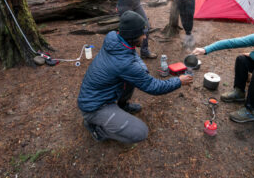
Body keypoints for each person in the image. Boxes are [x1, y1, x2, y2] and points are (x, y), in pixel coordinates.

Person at [78, 11, 193, 143]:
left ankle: (122, 106)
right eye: (142, 34)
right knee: (140, 132)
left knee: (132, 78)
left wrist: (141, 68)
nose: (145, 37)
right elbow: (154, 87)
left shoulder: (114, 38)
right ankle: (96, 127)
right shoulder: (124, 64)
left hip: (97, 94)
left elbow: (132, 54)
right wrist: (178, 81)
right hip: (94, 107)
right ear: (132, 36)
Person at [192, 16, 254, 123]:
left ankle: (250, 111)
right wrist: (206, 49)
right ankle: (239, 92)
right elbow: (233, 42)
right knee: (242, 60)